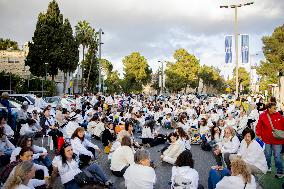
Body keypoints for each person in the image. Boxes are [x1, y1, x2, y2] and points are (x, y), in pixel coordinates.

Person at [256, 102, 284, 178]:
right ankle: (268, 167)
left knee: (277, 156)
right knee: (267, 155)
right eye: (274, 108)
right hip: (267, 140)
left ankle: (280, 171)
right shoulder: (263, 115)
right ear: (269, 108)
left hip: (278, 141)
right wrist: (258, 134)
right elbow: (259, 126)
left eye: (276, 108)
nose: (276, 109)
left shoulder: (279, 115)